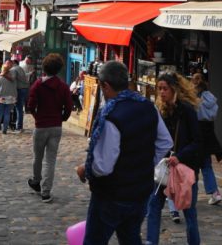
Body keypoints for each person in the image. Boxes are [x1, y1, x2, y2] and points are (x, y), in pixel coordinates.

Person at [74, 61, 172, 245]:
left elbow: (103, 167)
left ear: (106, 85)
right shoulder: (148, 106)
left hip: (111, 195)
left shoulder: (111, 115)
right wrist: (145, 163)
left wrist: (85, 169)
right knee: (131, 238)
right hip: (140, 191)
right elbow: (165, 141)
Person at [145, 73, 203, 245]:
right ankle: (151, 242)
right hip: (164, 169)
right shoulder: (160, 110)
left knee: (189, 212)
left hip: (185, 169)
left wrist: (180, 156)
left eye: (165, 89)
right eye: (159, 89)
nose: (162, 92)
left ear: (174, 89)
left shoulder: (186, 110)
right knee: (153, 206)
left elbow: (198, 141)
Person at [26, 53, 73, 203]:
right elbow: (69, 106)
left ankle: (36, 181)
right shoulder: (63, 86)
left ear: (44, 68)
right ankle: (46, 192)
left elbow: (30, 105)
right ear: (59, 69)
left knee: (38, 157)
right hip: (56, 126)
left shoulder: (38, 85)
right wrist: (62, 118)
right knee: (50, 160)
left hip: (41, 126)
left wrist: (37, 117)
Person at [191, 72, 222, 205]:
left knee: (192, 165)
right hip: (208, 132)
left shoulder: (193, 98)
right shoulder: (210, 97)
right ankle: (215, 192)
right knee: (206, 164)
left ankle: (191, 193)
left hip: (196, 131)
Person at [0, 61, 17, 134]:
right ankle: (4, 129)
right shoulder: (13, 78)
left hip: (1, 98)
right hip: (11, 98)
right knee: (7, 114)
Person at [10, 57, 30, 132]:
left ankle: (19, 127)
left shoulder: (13, 69)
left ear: (13, 63)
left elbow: (12, 79)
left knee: (18, 108)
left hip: (19, 89)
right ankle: (18, 125)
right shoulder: (20, 68)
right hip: (24, 89)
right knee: (19, 108)